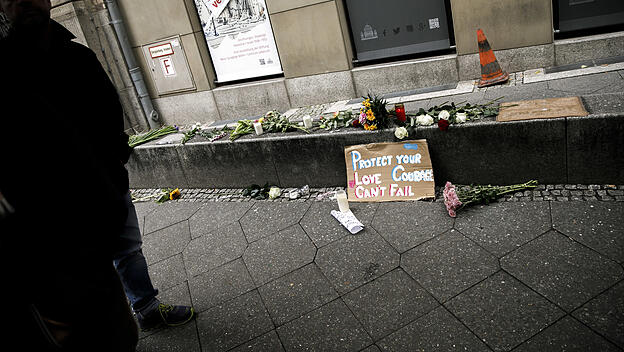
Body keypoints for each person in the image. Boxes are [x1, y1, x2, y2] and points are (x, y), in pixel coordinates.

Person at [0, 0, 193, 346]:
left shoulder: (78, 56)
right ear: (2, 7)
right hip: (53, 217)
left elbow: (109, 110)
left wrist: (114, 163)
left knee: (128, 251)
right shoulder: (5, 71)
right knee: (93, 311)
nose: (25, 1)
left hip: (105, 187)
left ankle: (145, 306)